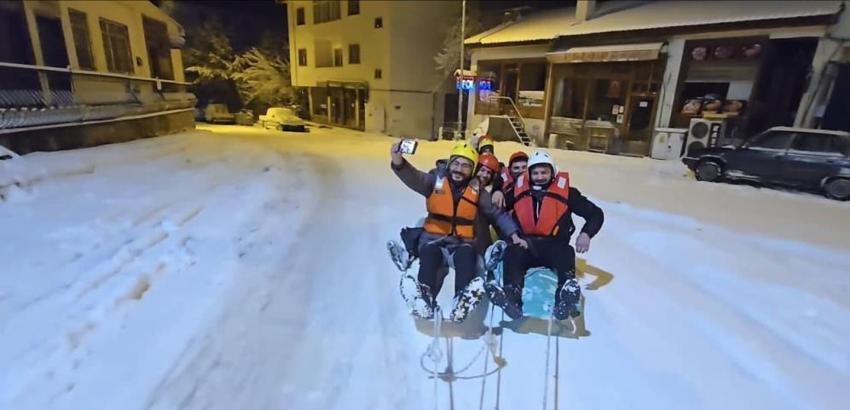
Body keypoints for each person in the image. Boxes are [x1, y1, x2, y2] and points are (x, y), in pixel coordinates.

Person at [391, 141, 528, 321]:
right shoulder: (434, 181)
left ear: (471, 170)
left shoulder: (477, 191)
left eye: (465, 166)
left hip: (461, 244)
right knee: (428, 254)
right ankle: (424, 297)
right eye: (455, 164)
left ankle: (462, 299)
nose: (459, 169)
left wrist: (514, 234)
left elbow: (496, 214)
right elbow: (413, 177)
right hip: (434, 241)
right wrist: (398, 159)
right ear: (449, 164)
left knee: (466, 255)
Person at [488, 150, 604, 320]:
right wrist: (497, 190)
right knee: (512, 253)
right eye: (535, 173)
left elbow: (596, 214)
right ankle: (511, 298)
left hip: (555, 247)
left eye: (544, 172)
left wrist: (586, 234)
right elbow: (496, 212)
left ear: (553, 172)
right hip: (526, 246)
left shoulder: (568, 193)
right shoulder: (517, 191)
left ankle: (564, 299)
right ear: (529, 174)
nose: (540, 176)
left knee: (567, 253)